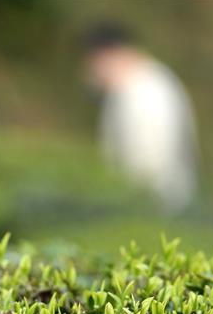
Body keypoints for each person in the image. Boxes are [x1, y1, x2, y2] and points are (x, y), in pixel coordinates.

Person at [83, 22, 200, 213]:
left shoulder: (147, 90)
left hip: (155, 209)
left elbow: (149, 164)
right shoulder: (132, 87)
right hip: (148, 206)